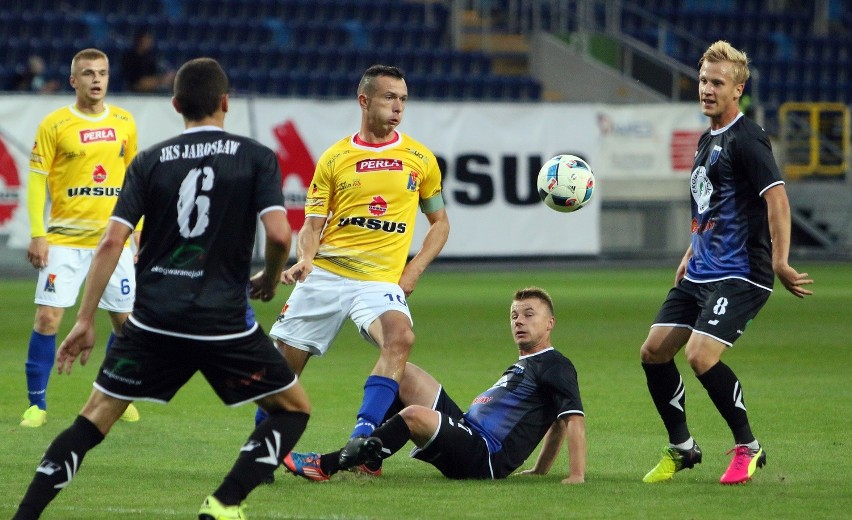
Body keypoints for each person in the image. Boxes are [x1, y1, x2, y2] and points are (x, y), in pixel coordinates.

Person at [13, 57, 311, 520]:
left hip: (154, 321)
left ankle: (25, 515)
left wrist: (87, 319)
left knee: (92, 419)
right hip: (224, 323)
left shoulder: (150, 161)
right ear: (225, 103)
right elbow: (278, 234)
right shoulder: (256, 157)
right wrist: (269, 280)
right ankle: (225, 502)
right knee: (292, 408)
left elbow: (113, 240)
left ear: (176, 105)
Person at [257, 64, 450, 473]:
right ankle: (263, 453)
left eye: (403, 99)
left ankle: (363, 435)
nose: (398, 107)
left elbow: (440, 223)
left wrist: (412, 271)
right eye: (389, 98)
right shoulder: (334, 158)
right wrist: (305, 258)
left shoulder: (420, 159)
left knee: (400, 338)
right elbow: (311, 224)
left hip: (378, 281)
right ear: (364, 101)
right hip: (326, 273)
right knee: (282, 374)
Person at [639, 40, 814, 485]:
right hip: (700, 271)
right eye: (702, 80)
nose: (707, 89)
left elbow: (777, 201)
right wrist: (688, 254)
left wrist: (780, 260)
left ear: (738, 89)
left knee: (700, 355)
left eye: (717, 82)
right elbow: (709, 208)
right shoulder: (706, 140)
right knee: (654, 352)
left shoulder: (748, 138)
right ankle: (682, 448)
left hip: (742, 273)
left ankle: (748, 448)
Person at [283, 287, 586, 483]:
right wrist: (541, 469)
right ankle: (369, 461)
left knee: (414, 415)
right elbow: (556, 423)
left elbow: (571, 419)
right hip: (467, 428)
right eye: (514, 315)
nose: (519, 321)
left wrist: (576, 475)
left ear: (550, 323)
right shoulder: (528, 363)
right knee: (403, 371)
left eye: (529, 315)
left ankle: (326, 465)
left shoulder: (555, 364)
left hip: (483, 455)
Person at [22, 48, 140, 428]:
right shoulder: (54, 124)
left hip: (113, 239)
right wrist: (38, 233)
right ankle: (37, 406)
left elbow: (134, 179)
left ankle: (115, 395)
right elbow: (38, 179)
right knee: (47, 318)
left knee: (124, 322)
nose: (96, 80)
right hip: (64, 239)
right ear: (74, 80)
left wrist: (137, 230)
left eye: (102, 73)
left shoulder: (125, 122)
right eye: (88, 73)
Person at [121, 27, 175, 93]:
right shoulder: (130, 58)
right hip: (135, 90)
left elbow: (153, 73)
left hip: (151, 89)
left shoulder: (149, 57)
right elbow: (137, 83)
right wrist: (161, 80)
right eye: (147, 39)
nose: (150, 42)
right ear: (140, 40)